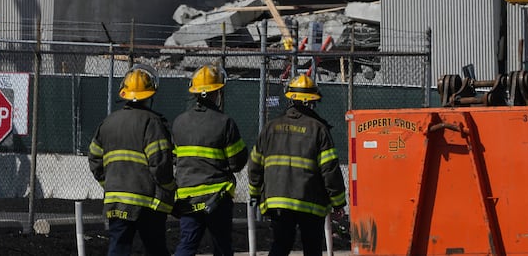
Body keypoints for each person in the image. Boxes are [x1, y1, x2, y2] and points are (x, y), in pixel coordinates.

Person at [247, 73, 347, 256]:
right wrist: (338, 202)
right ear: (312, 101)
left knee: (281, 245)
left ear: (290, 99)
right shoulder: (319, 129)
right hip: (310, 203)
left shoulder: (270, 127)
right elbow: (330, 170)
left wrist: (254, 193)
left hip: (277, 201)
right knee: (312, 248)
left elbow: (255, 164)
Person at [88, 64, 175, 256]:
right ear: (150, 94)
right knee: (156, 249)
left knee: (118, 248)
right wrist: (170, 189)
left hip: (116, 201)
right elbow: (160, 164)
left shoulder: (107, 123)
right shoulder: (152, 123)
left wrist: (109, 184)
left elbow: (95, 159)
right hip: (147, 203)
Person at [172, 64, 248, 256]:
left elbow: (174, 158)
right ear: (218, 92)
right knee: (222, 246)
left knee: (187, 245)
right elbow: (237, 163)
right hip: (217, 199)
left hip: (187, 198)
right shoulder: (225, 123)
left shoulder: (179, 122)